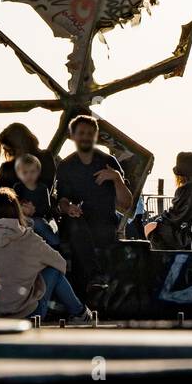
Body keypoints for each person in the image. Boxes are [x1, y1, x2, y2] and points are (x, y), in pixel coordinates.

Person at [0, 188, 94, 324]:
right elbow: (60, 263)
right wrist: (34, 273)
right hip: (29, 316)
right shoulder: (29, 239)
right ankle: (80, 314)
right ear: (17, 211)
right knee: (53, 270)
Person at [55, 115, 131, 293]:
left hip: (104, 224)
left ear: (96, 135)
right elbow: (62, 202)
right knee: (76, 227)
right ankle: (95, 276)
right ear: (73, 136)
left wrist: (117, 179)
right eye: (81, 133)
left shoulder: (109, 163)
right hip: (77, 222)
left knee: (89, 237)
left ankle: (85, 297)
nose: (86, 137)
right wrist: (69, 208)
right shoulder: (66, 166)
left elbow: (126, 204)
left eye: (90, 133)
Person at [0, 123, 57, 246]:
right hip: (11, 215)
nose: (6, 152)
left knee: (42, 230)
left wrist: (29, 207)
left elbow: (45, 188)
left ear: (20, 145)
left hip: (39, 214)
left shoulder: (44, 158)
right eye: (6, 149)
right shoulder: (7, 167)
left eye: (9, 149)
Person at [8, 154, 59, 247]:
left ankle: (55, 246)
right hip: (21, 219)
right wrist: (22, 208)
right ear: (19, 174)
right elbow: (13, 205)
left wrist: (33, 210)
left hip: (38, 218)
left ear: (38, 172)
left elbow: (46, 208)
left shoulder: (43, 188)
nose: (29, 175)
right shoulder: (18, 187)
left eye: (32, 172)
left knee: (40, 225)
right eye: (25, 172)